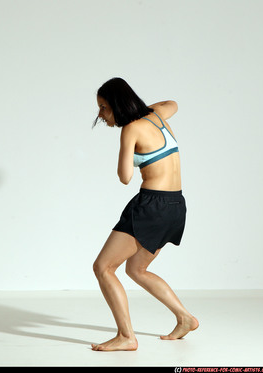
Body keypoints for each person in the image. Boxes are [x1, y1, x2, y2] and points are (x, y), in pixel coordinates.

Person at [91, 77, 198, 351]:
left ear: (117, 104)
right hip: (176, 205)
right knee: (136, 269)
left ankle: (126, 337)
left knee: (103, 267)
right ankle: (185, 318)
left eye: (103, 107)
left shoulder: (130, 129)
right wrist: (143, 111)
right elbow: (172, 104)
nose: (101, 115)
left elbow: (125, 177)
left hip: (152, 205)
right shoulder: (156, 115)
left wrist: (126, 145)